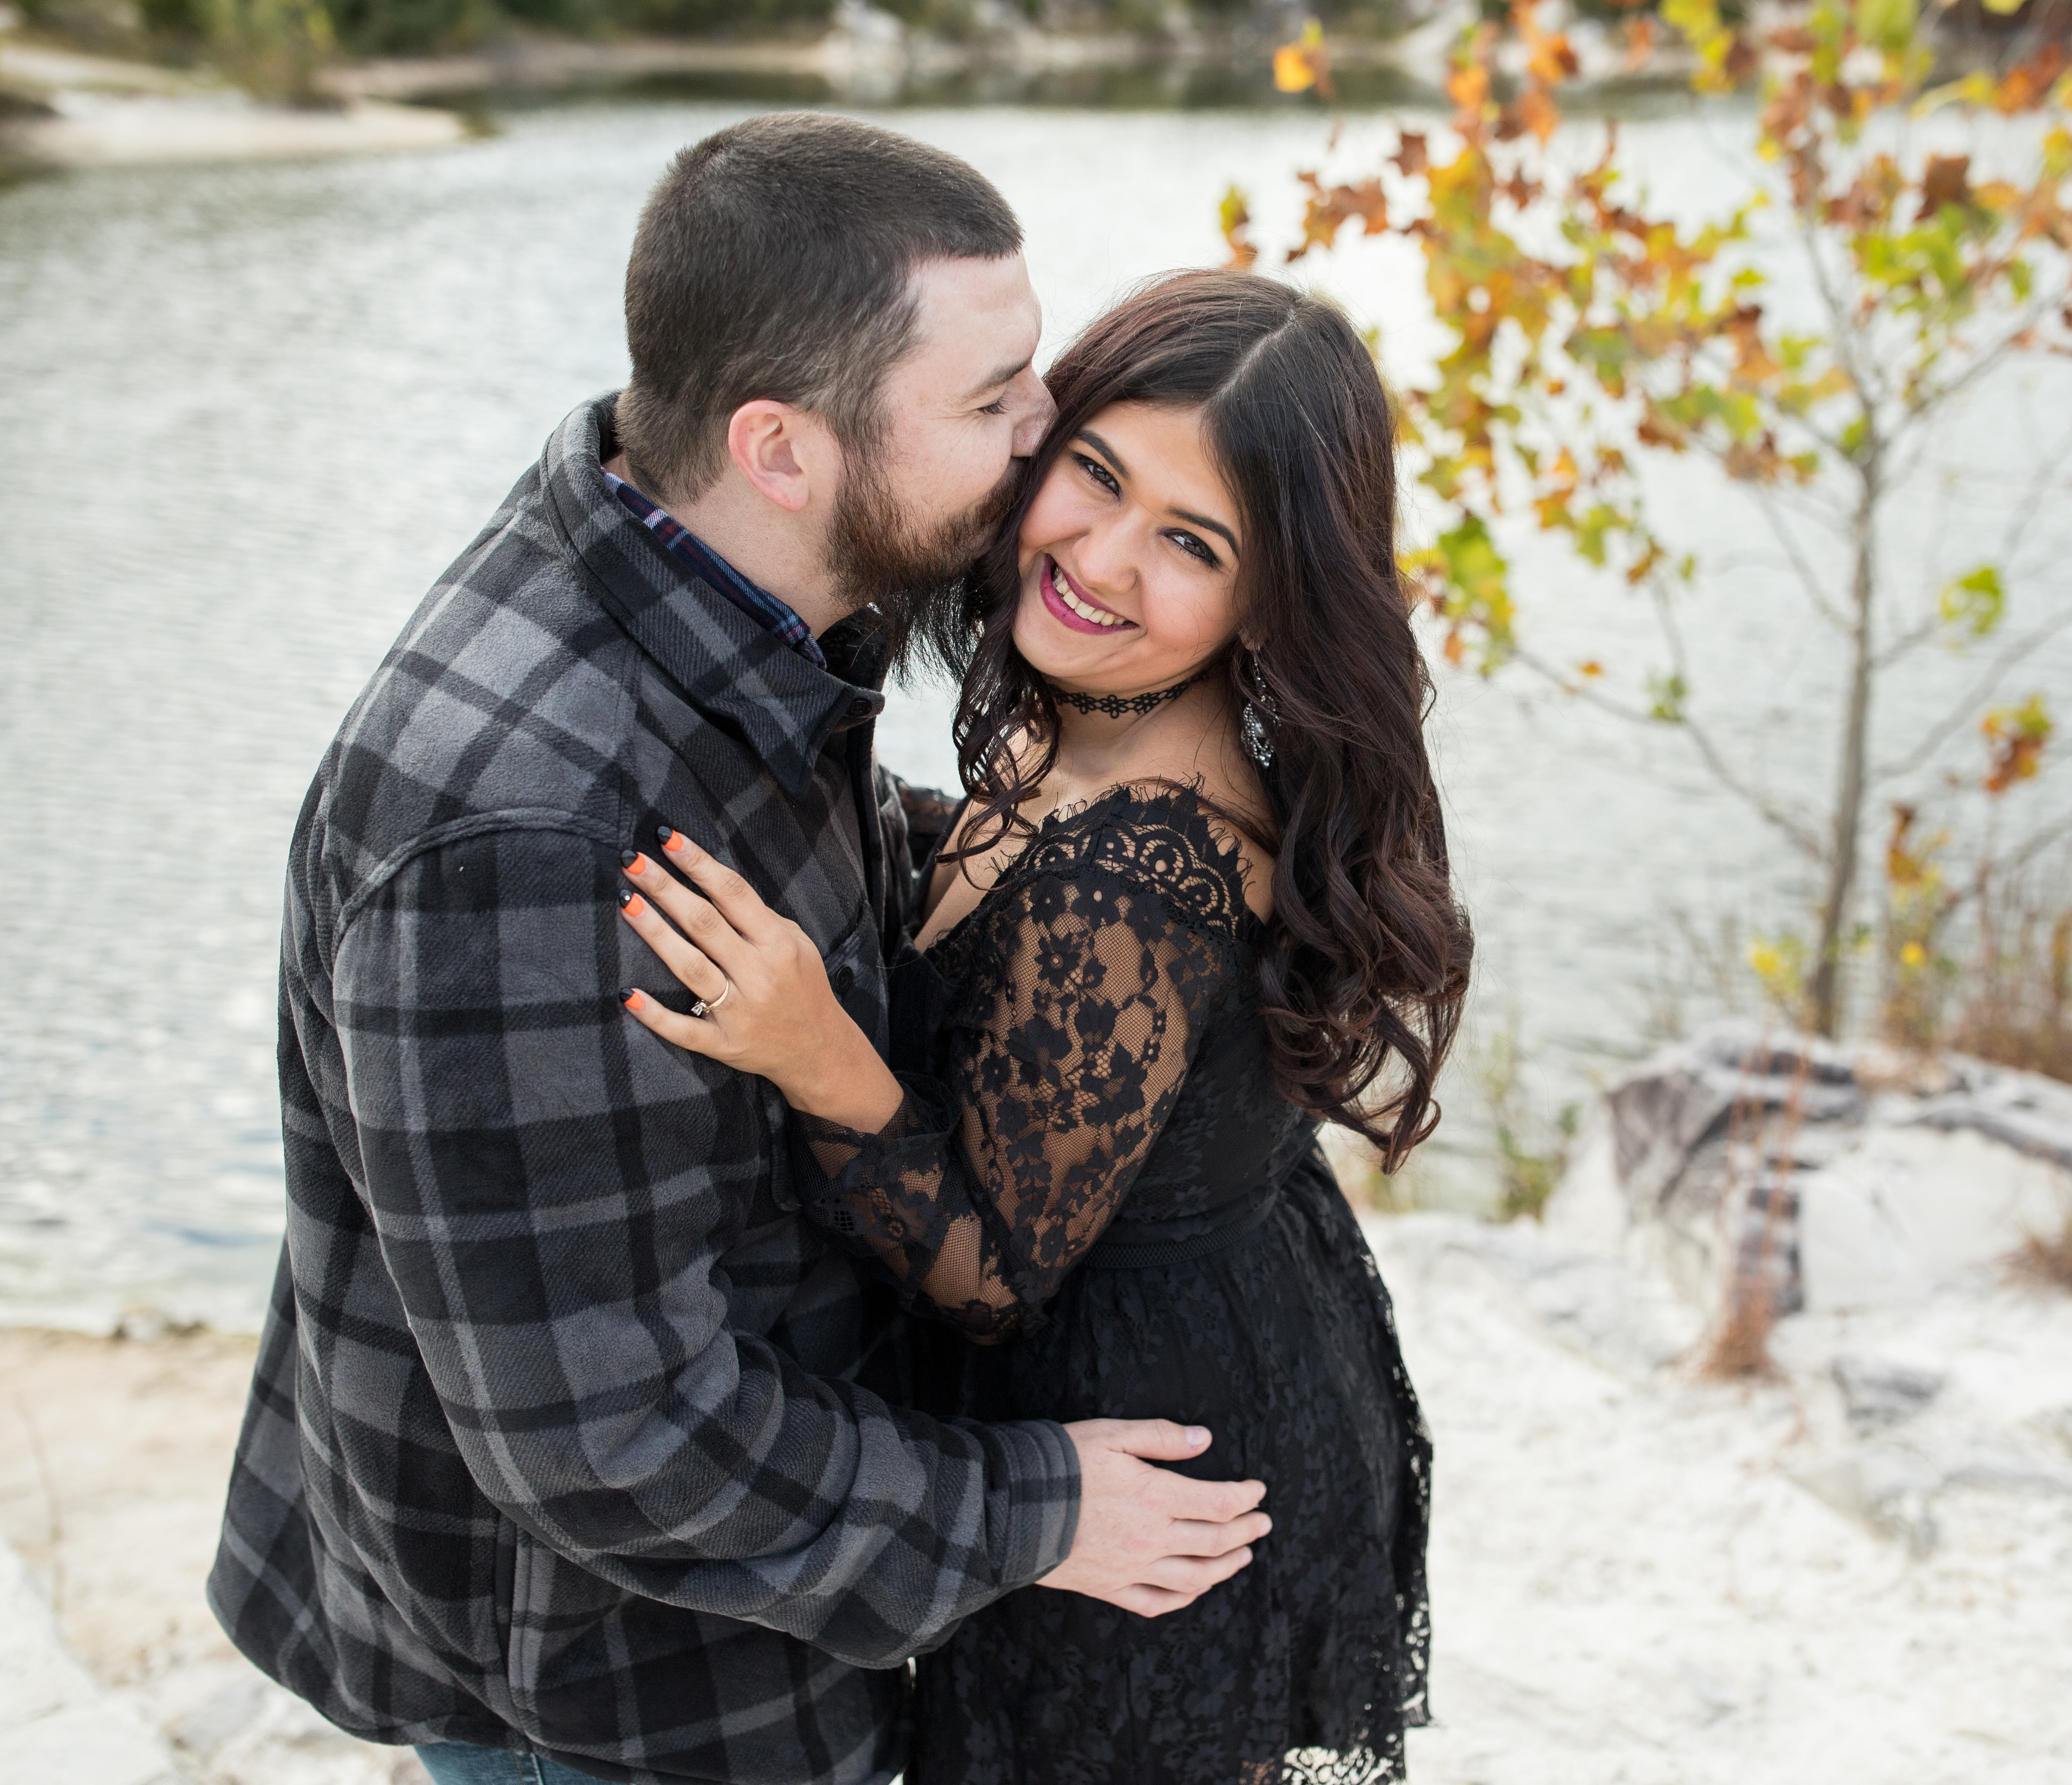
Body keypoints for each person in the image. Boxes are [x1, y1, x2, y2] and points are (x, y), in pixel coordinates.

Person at [208, 116, 1275, 1785]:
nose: (1042, 441)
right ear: (783, 444)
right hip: (614, 1684)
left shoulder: (727, 580)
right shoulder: (527, 838)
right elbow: (610, 1437)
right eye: (994, 402)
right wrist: (1033, 1507)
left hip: (750, 1603)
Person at [614, 268, 1473, 1784]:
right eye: (1096, 476)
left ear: (1268, 601)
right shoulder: (1087, 724)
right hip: (1211, 1325)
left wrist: (816, 1051)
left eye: (1191, 544)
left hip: (1153, 1451)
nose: (1104, 558)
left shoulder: (1139, 871)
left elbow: (990, 1280)